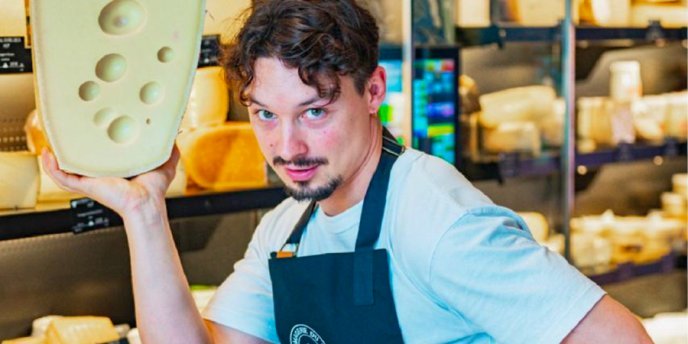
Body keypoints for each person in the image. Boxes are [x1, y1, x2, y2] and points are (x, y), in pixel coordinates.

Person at [43, 0, 653, 343]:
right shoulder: (289, 229)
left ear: (373, 91)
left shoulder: (437, 220)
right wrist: (144, 211)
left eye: (315, 111)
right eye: (265, 115)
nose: (288, 146)